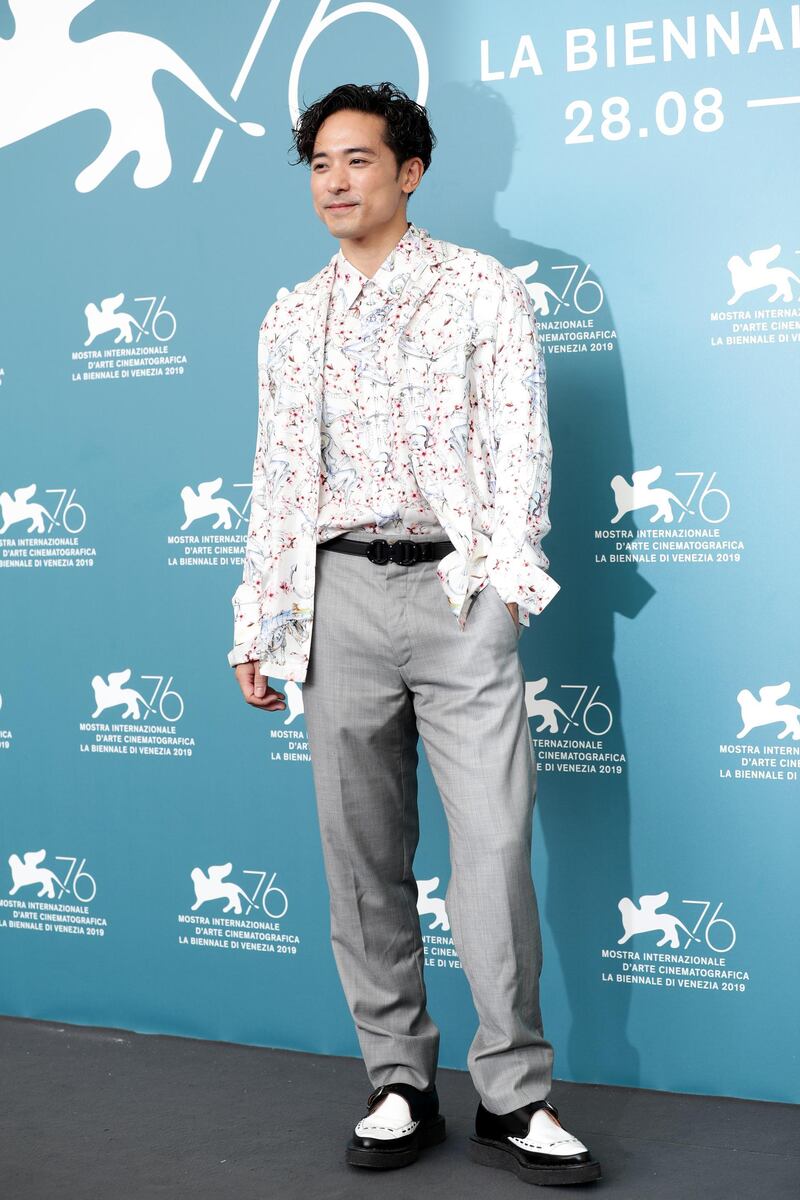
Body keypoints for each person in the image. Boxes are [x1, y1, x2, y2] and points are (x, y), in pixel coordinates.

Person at [229, 81, 601, 1187]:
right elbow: (275, 483)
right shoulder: (291, 314)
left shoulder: (482, 291)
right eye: (318, 165)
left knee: (489, 850)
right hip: (332, 598)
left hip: (456, 592)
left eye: (356, 160)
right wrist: (259, 622)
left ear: (410, 171)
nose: (334, 182)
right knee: (359, 857)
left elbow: (520, 448)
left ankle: (513, 1098)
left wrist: (499, 592)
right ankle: (396, 1083)